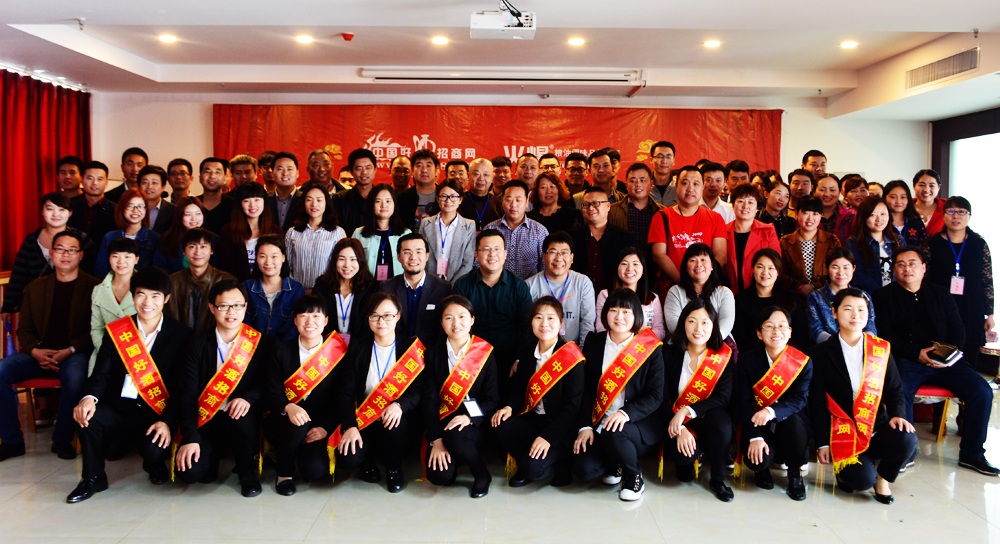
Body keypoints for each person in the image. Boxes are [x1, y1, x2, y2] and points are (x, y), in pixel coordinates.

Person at [66, 267, 193, 502]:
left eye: (155, 296)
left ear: (166, 298)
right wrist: (88, 398)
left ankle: (154, 464)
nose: (147, 302)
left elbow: (181, 386)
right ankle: (93, 478)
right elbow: (101, 374)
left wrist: (167, 421)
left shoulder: (182, 335)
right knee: (89, 417)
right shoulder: (117, 331)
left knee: (154, 449)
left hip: (156, 411)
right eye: (141, 294)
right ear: (132, 297)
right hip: (119, 407)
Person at [873, 247, 996, 475]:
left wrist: (946, 357)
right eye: (901, 264)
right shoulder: (882, 296)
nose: (907, 268)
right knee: (899, 390)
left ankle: (973, 455)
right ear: (894, 270)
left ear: (923, 268)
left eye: (912, 263)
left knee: (982, 391)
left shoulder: (940, 293)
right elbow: (885, 334)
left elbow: (957, 329)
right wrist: (916, 353)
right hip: (909, 359)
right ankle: (904, 452)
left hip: (946, 362)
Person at [0, 229, 99, 462]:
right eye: (60, 250)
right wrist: (35, 351)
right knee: (1, 370)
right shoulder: (35, 287)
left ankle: (62, 439)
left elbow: (96, 331)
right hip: (38, 353)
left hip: (74, 353)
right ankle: (12, 441)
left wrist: (69, 350)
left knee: (76, 376)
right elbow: (24, 329)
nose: (66, 255)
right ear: (51, 253)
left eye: (72, 250)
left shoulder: (95, 287)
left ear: (81, 255)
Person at [811, 288, 917, 503]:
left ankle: (883, 479)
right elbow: (816, 401)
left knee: (907, 437)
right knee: (860, 482)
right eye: (848, 309)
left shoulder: (880, 349)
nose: (855, 315)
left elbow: (895, 390)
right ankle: (849, 471)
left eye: (861, 310)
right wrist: (822, 443)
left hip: (875, 426)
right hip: (843, 432)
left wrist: (898, 415)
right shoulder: (821, 352)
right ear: (834, 313)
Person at [172, 280, 271, 497]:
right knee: (190, 473)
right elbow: (187, 395)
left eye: (237, 305)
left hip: (241, 416)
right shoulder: (196, 345)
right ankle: (212, 455)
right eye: (224, 306)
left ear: (245, 307)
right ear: (211, 308)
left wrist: (248, 398)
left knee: (242, 419)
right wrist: (190, 437)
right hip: (206, 416)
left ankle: (246, 470)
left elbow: (267, 385)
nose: (231, 312)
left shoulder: (261, 343)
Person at [573, 289, 664, 501]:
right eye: (613, 310)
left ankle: (634, 476)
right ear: (605, 313)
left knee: (614, 431)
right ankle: (617, 462)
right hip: (600, 419)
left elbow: (655, 395)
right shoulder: (594, 342)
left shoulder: (650, 348)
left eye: (626, 311)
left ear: (637, 316)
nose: (619, 317)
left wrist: (625, 413)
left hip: (635, 424)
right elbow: (587, 390)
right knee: (583, 469)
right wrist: (585, 426)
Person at [335, 291, 425, 493]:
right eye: (374, 315)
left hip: (396, 419)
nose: (381, 321)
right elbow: (346, 392)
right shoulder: (358, 348)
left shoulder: (410, 348)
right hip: (364, 417)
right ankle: (366, 461)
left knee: (396, 425)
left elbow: (418, 391)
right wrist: (350, 426)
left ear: (398, 316)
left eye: (387, 315)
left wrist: (400, 405)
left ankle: (393, 468)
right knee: (347, 459)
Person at [493, 296, 584, 488]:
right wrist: (508, 407)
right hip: (534, 421)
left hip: (560, 428)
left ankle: (559, 463)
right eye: (538, 317)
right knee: (500, 424)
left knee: (532, 470)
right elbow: (519, 390)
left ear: (561, 323)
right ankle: (531, 458)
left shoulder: (571, 357)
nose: (544, 324)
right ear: (531, 322)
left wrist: (548, 437)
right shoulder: (527, 351)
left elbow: (571, 408)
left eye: (551, 318)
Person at [262, 294, 348, 495]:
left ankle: (296, 452)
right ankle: (284, 472)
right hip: (283, 420)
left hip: (319, 423)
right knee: (296, 426)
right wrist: (288, 406)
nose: (310, 321)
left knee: (314, 470)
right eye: (304, 316)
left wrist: (326, 427)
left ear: (326, 321)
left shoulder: (338, 353)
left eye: (316, 316)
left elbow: (342, 397)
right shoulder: (281, 349)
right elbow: (272, 392)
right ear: (295, 320)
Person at [422, 295, 498, 497]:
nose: (456, 324)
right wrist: (436, 440)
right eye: (449, 318)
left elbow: (491, 400)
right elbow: (429, 401)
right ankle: (454, 458)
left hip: (476, 423)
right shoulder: (432, 354)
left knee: (456, 438)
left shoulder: (485, 352)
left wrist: (469, 418)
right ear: (441, 322)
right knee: (439, 477)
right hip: (443, 421)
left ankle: (481, 473)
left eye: (462, 317)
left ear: (472, 320)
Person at [661, 298, 735, 502]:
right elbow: (661, 398)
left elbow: (723, 397)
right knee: (683, 466)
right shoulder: (669, 354)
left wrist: (687, 410)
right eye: (692, 321)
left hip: (709, 420)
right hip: (678, 423)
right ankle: (691, 457)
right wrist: (681, 428)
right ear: (683, 323)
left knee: (721, 422)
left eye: (705, 322)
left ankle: (718, 478)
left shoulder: (723, 356)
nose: (698, 328)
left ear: (713, 326)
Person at [738, 306, 811, 501]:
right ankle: (762, 470)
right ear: (759, 333)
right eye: (769, 326)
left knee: (794, 421)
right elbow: (744, 402)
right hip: (757, 423)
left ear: (790, 332)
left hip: (789, 425)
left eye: (782, 326)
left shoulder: (802, 362)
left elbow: (799, 400)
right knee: (757, 461)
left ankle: (794, 475)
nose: (776, 331)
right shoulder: (747, 360)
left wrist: (771, 411)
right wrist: (754, 436)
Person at [453, 230, 533, 399]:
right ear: (476, 255)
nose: (492, 254)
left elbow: (527, 327)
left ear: (505, 254)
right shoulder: (463, 285)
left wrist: (519, 359)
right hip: (472, 359)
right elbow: (456, 325)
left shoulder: (519, 286)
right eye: (486, 249)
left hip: (509, 359)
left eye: (497, 249)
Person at [924, 196, 995, 368]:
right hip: (941, 306)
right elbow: (924, 279)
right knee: (941, 355)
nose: (956, 216)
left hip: (972, 307)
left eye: (962, 212)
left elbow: (987, 279)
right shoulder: (932, 243)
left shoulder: (979, 244)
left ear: (969, 216)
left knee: (970, 356)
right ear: (943, 215)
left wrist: (990, 314)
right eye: (951, 211)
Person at [2, 193, 94, 321]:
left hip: (74, 306)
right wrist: (7, 306)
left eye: (61, 209)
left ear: (70, 212)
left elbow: (91, 274)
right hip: (38, 306)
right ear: (42, 211)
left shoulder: (82, 240)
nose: (56, 214)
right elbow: (19, 275)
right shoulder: (31, 241)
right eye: (50, 209)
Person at [649, 165, 729, 288]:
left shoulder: (716, 218)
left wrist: (701, 284)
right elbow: (659, 255)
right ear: (676, 186)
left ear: (703, 187)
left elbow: (721, 256)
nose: (690, 189)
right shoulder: (662, 216)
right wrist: (685, 285)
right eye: (685, 183)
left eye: (696, 184)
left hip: (706, 289)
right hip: (671, 290)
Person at [379, 233, 452, 347]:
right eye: (407, 252)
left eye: (419, 252)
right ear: (398, 257)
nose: (413, 257)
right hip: (396, 351)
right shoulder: (387, 287)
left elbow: (444, 328)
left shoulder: (442, 288)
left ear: (427, 256)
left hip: (430, 351)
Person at [525, 232, 596, 346]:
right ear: (544, 256)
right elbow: (526, 325)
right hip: (540, 349)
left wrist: (581, 352)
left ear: (572, 257)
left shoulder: (583, 283)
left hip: (573, 350)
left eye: (564, 253)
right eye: (553, 252)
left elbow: (587, 322)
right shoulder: (529, 285)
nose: (559, 258)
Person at [734, 249, 810, 352]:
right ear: (753, 269)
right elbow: (740, 336)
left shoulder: (792, 298)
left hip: (788, 356)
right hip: (753, 357)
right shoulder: (740, 300)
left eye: (771, 268)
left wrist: (782, 356)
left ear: (778, 272)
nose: (765, 272)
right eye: (760, 267)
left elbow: (801, 335)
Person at [165, 228, 238, 335]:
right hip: (179, 340)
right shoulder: (172, 281)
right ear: (184, 251)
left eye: (203, 246)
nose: (198, 252)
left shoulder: (226, 281)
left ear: (212, 250)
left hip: (214, 341)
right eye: (192, 246)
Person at [570, 186, 636, 294]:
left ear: (608, 206)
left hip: (614, 297)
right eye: (586, 204)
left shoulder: (624, 238)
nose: (590, 208)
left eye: (596, 203)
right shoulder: (572, 237)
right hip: (578, 296)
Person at [312, 238, 378, 344]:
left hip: (360, 347)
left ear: (361, 261)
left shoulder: (371, 288)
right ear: (334, 261)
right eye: (342, 259)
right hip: (327, 346)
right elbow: (316, 319)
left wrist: (356, 348)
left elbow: (369, 325)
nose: (347, 265)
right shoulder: (322, 287)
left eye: (353, 259)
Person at [664, 244, 735, 340]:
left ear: (712, 265)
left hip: (717, 342)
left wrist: (712, 339)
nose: (698, 264)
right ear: (686, 267)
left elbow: (726, 320)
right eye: (693, 260)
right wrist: (695, 340)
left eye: (703, 260)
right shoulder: (675, 292)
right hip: (683, 342)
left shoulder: (724, 293)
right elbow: (673, 321)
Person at [89, 238, 139, 374]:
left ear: (136, 259)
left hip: (139, 357)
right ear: (109, 259)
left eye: (127, 256)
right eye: (115, 256)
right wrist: (108, 352)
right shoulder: (99, 290)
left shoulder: (147, 288)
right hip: (105, 356)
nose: (121, 261)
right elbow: (97, 328)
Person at [806, 248, 877, 344]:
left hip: (860, 346)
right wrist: (841, 346)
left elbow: (870, 327)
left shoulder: (864, 296)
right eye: (835, 267)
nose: (841, 272)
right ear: (827, 268)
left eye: (846, 267)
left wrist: (861, 345)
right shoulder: (816, 297)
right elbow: (816, 330)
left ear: (854, 268)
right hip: (828, 347)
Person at [243, 234, 306, 341]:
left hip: (285, 349)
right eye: (262, 256)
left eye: (274, 256)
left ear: (283, 258)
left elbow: (296, 328)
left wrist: (279, 349)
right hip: (251, 348)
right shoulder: (246, 288)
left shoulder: (296, 290)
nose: (268, 262)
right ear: (256, 258)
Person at [595, 248, 667, 341]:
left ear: (643, 270)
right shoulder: (605, 295)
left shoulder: (652, 298)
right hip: (614, 346)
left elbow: (660, 330)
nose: (629, 268)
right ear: (617, 268)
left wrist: (635, 343)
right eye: (624, 264)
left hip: (644, 348)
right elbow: (601, 328)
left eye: (635, 264)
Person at [217, 182, 284, 282]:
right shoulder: (228, 231)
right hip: (236, 288)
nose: (252, 205)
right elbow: (226, 267)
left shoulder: (275, 232)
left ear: (264, 202)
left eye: (257, 200)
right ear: (240, 204)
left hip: (268, 287)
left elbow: (280, 266)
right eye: (246, 201)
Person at [285, 181, 346, 290]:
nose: (314, 204)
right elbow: (287, 266)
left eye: (319, 200)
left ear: (326, 203)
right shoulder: (292, 232)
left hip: (325, 292)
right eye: (309, 200)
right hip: (297, 293)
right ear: (303, 203)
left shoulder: (337, 233)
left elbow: (339, 267)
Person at [484, 179, 549, 280]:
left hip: (529, 287)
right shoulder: (490, 229)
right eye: (509, 199)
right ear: (502, 201)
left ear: (527, 202)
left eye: (518, 200)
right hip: (496, 287)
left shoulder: (540, 231)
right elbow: (480, 262)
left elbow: (545, 266)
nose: (513, 205)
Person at [779, 195, 841, 297]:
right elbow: (780, 271)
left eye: (815, 214)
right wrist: (799, 287)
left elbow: (839, 269)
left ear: (821, 215)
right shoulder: (785, 241)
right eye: (805, 213)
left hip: (825, 296)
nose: (810, 218)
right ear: (796, 214)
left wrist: (814, 286)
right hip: (793, 296)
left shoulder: (832, 240)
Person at [726, 182, 781, 294]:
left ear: (757, 208)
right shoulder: (723, 231)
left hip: (760, 293)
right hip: (728, 292)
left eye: (751, 202)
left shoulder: (768, 231)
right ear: (733, 205)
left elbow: (775, 265)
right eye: (740, 201)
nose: (745, 206)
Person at [420, 180, 477, 283]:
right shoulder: (426, 223)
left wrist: (453, 286)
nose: (448, 201)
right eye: (444, 196)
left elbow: (468, 262)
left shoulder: (469, 225)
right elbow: (421, 255)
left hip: (457, 284)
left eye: (453, 196)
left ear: (460, 200)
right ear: (437, 198)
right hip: (429, 283)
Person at [95, 189, 159, 279]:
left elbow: (156, 272)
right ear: (122, 208)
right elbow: (101, 269)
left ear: (146, 209)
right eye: (130, 205)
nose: (135, 210)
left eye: (140, 206)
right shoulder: (110, 237)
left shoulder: (155, 238)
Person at [352, 183, 409, 281]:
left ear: (394, 204)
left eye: (388, 201)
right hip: (366, 287)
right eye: (378, 201)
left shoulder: (406, 234)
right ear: (371, 204)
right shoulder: (359, 233)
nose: (383, 205)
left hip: (397, 287)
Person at [846, 196, 898, 293]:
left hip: (897, 296)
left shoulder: (898, 240)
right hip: (870, 297)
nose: (879, 219)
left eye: (883, 214)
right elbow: (857, 276)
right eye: (873, 214)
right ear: (863, 217)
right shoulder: (854, 243)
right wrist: (883, 294)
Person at [155, 196, 219, 274]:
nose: (194, 219)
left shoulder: (214, 239)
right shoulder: (167, 239)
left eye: (198, 213)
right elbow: (159, 268)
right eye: (188, 214)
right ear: (180, 216)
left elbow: (217, 269)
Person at [608, 163, 665, 247]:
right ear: (627, 185)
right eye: (633, 181)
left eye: (642, 180)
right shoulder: (612, 211)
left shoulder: (663, 212)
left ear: (651, 184)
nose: (638, 185)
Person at [70, 161, 118, 257]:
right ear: (82, 181)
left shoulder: (115, 210)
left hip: (103, 258)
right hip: (73, 257)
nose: (94, 183)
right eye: (90, 178)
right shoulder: (70, 207)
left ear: (106, 183)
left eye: (100, 179)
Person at [332, 149, 378, 236]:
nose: (364, 172)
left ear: (375, 169)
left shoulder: (383, 198)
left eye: (368, 167)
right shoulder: (340, 199)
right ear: (351, 172)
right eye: (359, 168)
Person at [399, 149, 440, 230]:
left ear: (436, 170)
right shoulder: (401, 198)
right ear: (412, 171)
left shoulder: (445, 196)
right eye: (419, 166)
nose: (424, 170)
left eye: (428, 166)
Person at [459, 158, 502, 230]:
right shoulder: (458, 201)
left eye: (486, 175)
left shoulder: (499, 204)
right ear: (468, 176)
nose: (481, 179)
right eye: (476, 174)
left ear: (492, 178)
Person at [883, 180, 927, 248]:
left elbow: (924, 248)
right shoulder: (880, 223)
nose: (898, 201)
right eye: (893, 197)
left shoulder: (916, 223)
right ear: (884, 198)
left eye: (903, 197)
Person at [267, 152, 303, 233]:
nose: (285, 173)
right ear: (272, 173)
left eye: (289, 169)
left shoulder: (305, 199)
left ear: (297, 173)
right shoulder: (264, 199)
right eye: (280, 169)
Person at [196, 157, 233, 235]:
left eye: (217, 172)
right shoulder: (192, 204)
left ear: (225, 179)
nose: (212, 176)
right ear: (200, 178)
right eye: (207, 172)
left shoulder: (234, 206)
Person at [815, 174, 854, 244]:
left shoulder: (851, 216)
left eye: (832, 190)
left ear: (839, 192)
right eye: (822, 190)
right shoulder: (805, 216)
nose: (827, 194)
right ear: (813, 191)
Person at [137, 165, 175, 236]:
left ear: (163, 187)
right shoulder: (130, 208)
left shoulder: (174, 211)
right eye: (145, 182)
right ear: (139, 186)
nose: (149, 187)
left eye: (154, 183)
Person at [912, 169, 947, 236]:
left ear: (938, 188)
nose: (926, 190)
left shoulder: (947, 208)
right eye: (922, 185)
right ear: (914, 186)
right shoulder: (904, 207)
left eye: (932, 186)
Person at [648, 141, 678, 207]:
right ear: (651, 160)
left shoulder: (679, 188)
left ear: (674, 161)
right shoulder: (643, 187)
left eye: (668, 157)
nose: (664, 161)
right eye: (660, 156)